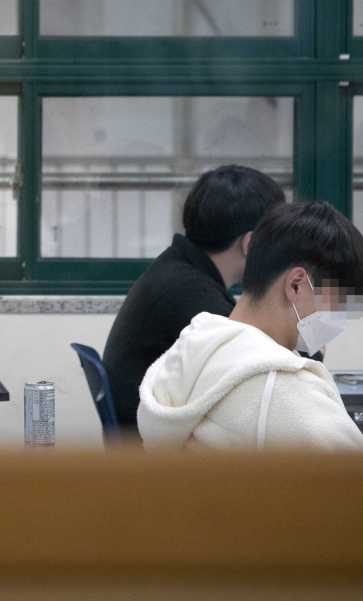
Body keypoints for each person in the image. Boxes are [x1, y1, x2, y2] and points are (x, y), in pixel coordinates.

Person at [137, 200, 363, 452]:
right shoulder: (284, 393)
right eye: (339, 303)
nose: (340, 319)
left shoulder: (196, 353)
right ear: (296, 284)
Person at [102, 165, 285, 439]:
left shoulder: (178, 270)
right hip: (157, 464)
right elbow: (260, 366)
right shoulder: (188, 291)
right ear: (251, 243)